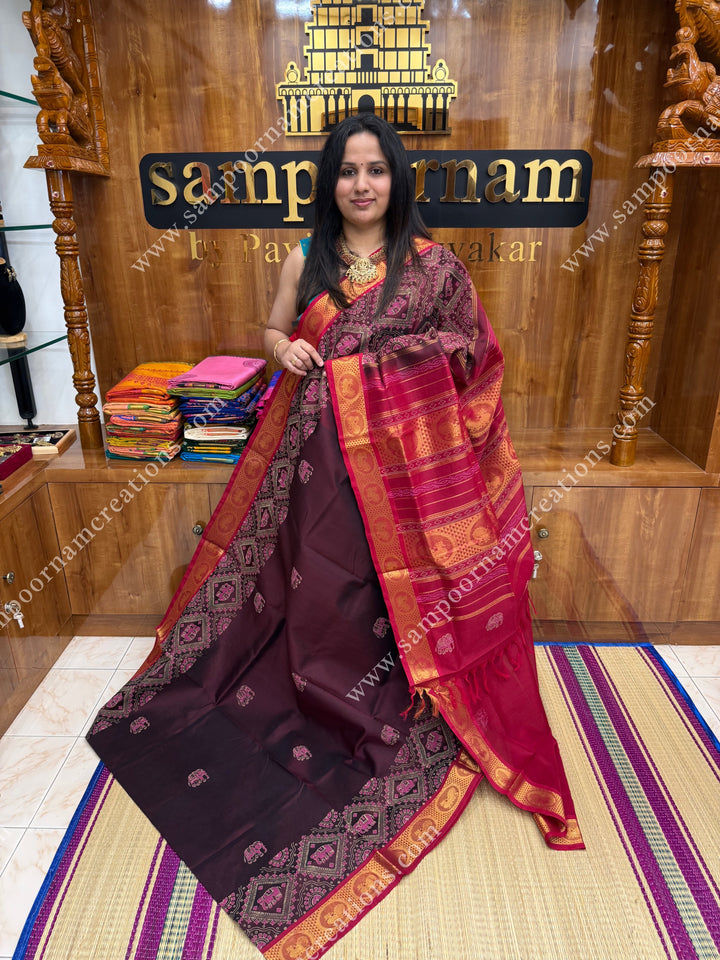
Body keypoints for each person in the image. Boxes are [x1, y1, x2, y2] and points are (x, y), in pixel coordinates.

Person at [88, 114, 583, 960]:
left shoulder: (436, 269)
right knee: (323, 584)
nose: (361, 184)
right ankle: (322, 686)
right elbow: (275, 333)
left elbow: (474, 359)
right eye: (348, 171)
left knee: (390, 595)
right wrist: (288, 354)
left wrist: (386, 375)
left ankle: (398, 691)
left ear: (397, 181)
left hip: (407, 484)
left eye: (376, 171)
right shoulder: (304, 260)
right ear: (331, 183)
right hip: (317, 470)